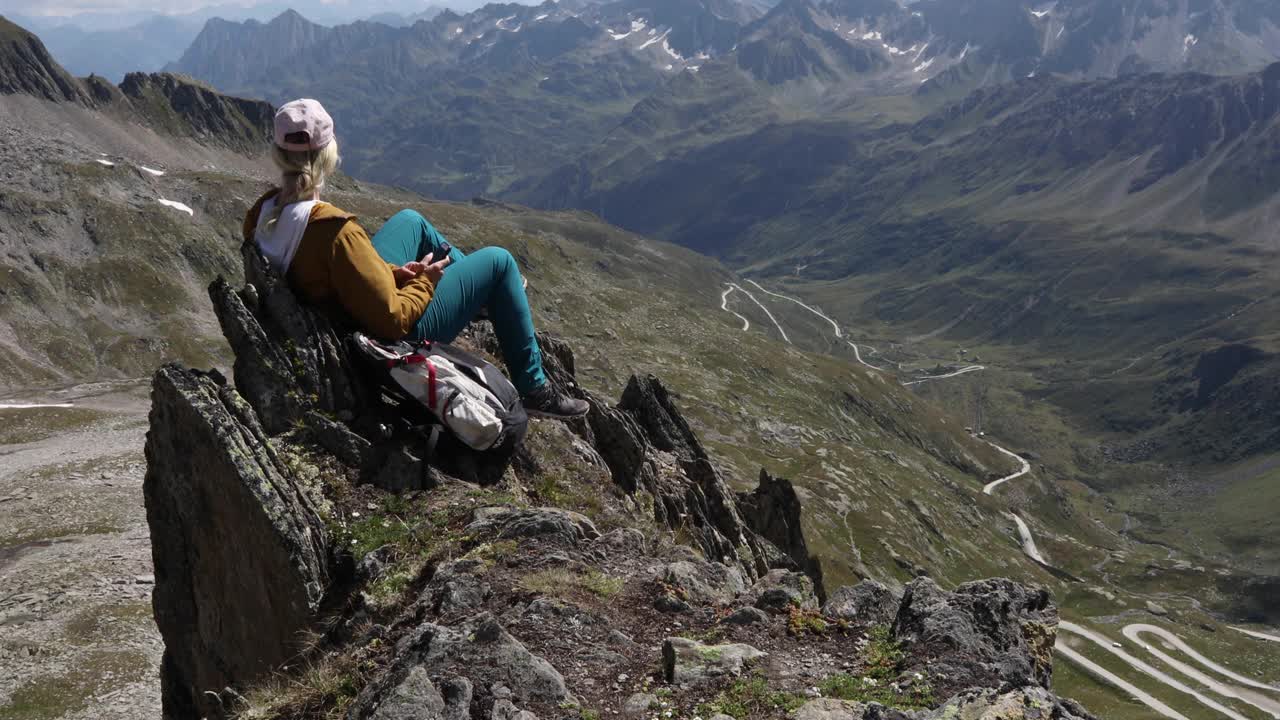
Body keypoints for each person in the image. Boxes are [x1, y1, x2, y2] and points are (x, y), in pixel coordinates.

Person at [242, 98, 588, 419]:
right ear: (328, 155)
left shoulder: (262, 213)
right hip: (385, 341)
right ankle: (534, 390)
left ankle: (479, 298)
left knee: (410, 221)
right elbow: (394, 321)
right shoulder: (333, 230)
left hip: (345, 305)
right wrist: (426, 281)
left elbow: (330, 270)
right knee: (500, 262)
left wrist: (391, 271)